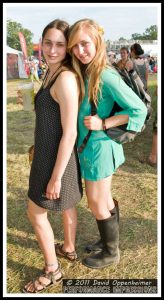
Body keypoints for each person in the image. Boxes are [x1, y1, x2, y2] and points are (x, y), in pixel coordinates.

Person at [67, 19, 147, 269]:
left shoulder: (104, 74)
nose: (80, 50)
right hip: (94, 148)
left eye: (85, 43)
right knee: (103, 200)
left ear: (97, 42)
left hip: (100, 148)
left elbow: (138, 109)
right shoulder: (87, 70)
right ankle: (106, 242)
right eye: (75, 46)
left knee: (96, 202)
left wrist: (104, 123)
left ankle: (111, 252)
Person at [20, 19, 83, 293]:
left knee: (36, 214)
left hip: (57, 159)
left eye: (59, 44)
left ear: (67, 48)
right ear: (41, 43)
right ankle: (68, 248)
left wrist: (55, 177)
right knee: (67, 205)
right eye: (48, 43)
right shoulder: (50, 71)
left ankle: (52, 270)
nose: (53, 49)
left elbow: (70, 133)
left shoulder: (66, 78)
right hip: (48, 152)